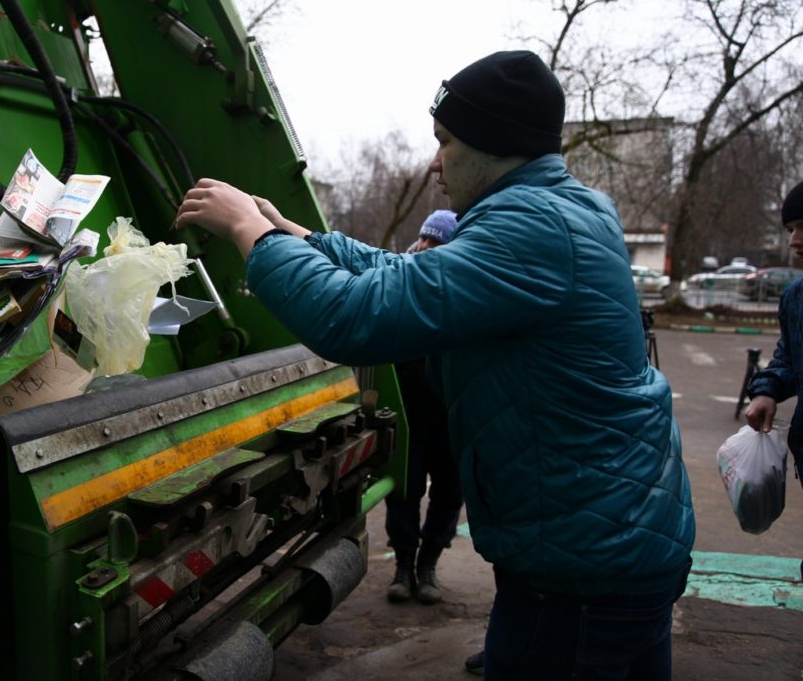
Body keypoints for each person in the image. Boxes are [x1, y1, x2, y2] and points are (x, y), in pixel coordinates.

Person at [177, 50, 695, 679]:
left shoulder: (531, 229)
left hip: (582, 565)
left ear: (495, 145)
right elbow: (413, 274)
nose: (434, 162)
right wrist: (301, 237)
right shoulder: (564, 211)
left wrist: (248, 235)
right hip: (610, 540)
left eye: (445, 141)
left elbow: (355, 317)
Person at [385, 210, 464, 605]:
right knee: (404, 491)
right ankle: (403, 565)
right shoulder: (398, 281)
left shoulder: (463, 291)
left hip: (451, 417)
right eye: (425, 239)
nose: (428, 248)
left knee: (450, 491)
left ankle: (428, 563)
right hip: (408, 413)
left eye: (439, 243)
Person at [743, 179, 803, 537]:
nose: (794, 241)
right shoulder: (796, 297)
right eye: (792, 229)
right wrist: (766, 389)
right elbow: (789, 358)